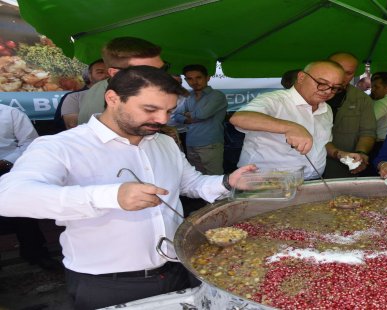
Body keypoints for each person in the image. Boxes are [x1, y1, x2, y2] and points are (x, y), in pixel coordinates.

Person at [0, 66, 256, 309]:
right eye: (150, 109)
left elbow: (189, 183)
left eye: (169, 111)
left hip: (178, 268)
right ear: (112, 98)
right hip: (106, 283)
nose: (161, 119)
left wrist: (227, 181)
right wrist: (112, 195)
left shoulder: (162, 142)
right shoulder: (60, 146)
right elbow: (10, 196)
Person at [230, 60, 362, 180]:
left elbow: (322, 143)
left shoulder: (326, 109)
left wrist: (339, 154)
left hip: (312, 180)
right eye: (322, 83)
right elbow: (240, 118)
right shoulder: (275, 100)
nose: (328, 91)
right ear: (301, 77)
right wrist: (291, 127)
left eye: (335, 88)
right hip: (265, 182)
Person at [0, 104, 59, 270]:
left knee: (23, 215)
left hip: (9, 168)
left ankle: (35, 253)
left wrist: (6, 161)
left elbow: (30, 142)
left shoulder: (11, 113)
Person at [77, 36, 166, 125]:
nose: (161, 76)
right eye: (147, 71)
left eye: (163, 69)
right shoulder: (117, 100)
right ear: (115, 73)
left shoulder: (104, 87)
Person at [323, 52, 376, 178]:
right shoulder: (311, 96)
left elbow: (368, 132)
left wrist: (360, 153)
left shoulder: (361, 99)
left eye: (348, 73)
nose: (342, 76)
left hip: (342, 166)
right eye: (337, 69)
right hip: (306, 165)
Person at [172, 64, 227, 175]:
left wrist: (188, 114)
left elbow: (202, 114)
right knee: (195, 180)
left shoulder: (217, 95)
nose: (194, 82)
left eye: (198, 77)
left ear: (207, 78)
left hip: (210, 143)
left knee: (214, 178)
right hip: (191, 142)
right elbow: (177, 115)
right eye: (190, 79)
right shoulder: (189, 96)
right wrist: (188, 118)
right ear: (186, 80)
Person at [55, 59, 109, 130]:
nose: (106, 75)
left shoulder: (122, 95)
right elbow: (72, 125)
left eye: (110, 72)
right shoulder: (74, 97)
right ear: (90, 75)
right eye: (100, 72)